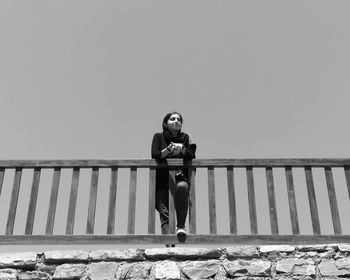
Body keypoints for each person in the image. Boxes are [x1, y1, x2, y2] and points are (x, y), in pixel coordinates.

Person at [151, 112, 196, 243]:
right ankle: (168, 242)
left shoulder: (186, 138)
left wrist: (181, 148)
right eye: (172, 119)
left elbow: (191, 154)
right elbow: (155, 154)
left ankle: (181, 227)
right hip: (162, 180)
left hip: (179, 177)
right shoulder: (158, 136)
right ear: (165, 123)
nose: (176, 121)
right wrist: (169, 150)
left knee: (182, 187)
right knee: (165, 211)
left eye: (179, 119)